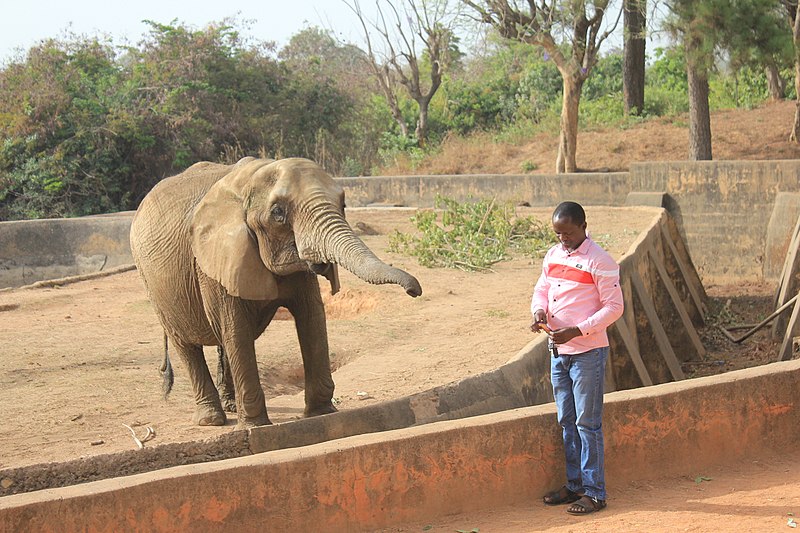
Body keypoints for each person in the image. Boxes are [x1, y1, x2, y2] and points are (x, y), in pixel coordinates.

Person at [530, 201, 624, 515]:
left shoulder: (601, 261)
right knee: (567, 422)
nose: (563, 239)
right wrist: (539, 311)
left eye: (568, 233)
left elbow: (614, 308)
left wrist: (577, 331)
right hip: (558, 351)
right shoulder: (553, 255)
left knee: (588, 424)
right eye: (558, 233)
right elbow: (542, 287)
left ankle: (595, 493)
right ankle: (575, 486)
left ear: (583, 226)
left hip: (588, 353)